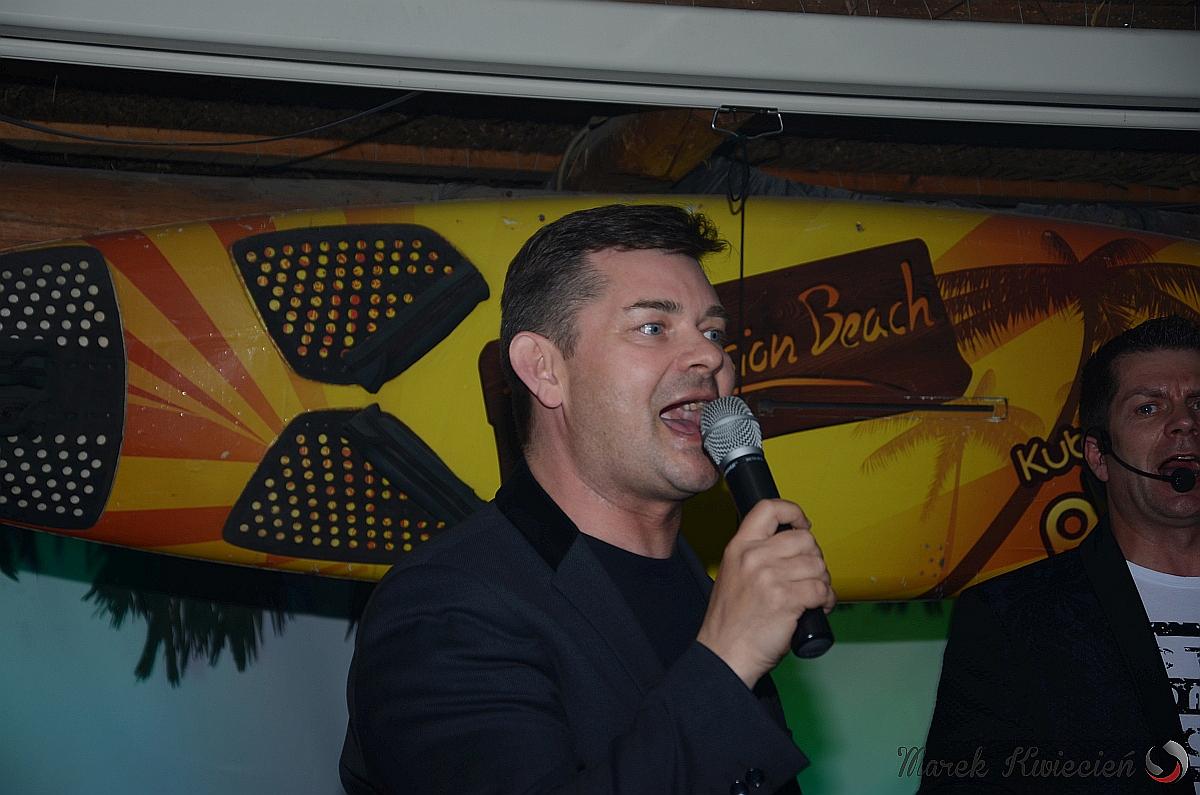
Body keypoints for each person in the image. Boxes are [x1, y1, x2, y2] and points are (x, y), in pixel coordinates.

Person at [339, 204, 835, 794]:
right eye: (653, 327)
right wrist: (727, 664)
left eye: (713, 333)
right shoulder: (443, 610)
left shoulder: (708, 592)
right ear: (544, 369)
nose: (712, 357)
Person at [918, 315, 1200, 793]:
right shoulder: (1009, 619)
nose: (1185, 423)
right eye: (1148, 408)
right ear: (1098, 456)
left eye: (1198, 404)